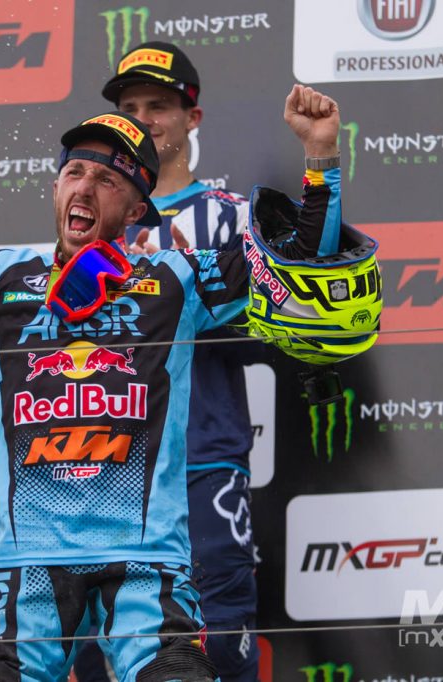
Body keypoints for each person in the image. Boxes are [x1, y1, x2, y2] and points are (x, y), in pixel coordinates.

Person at [0, 74, 342, 680]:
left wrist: (321, 157)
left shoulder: (176, 278)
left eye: (108, 180)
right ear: (55, 187)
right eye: (75, 172)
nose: (86, 187)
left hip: (145, 559)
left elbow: (297, 263)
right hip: (28, 565)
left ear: (136, 210)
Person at [92, 41, 264, 681]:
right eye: (130, 107)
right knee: (110, 652)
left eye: (157, 106)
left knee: (217, 644)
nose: (142, 119)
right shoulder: (92, 221)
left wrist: (185, 289)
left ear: (192, 118)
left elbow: (271, 337)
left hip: (201, 461)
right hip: (104, 464)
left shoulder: (233, 219)